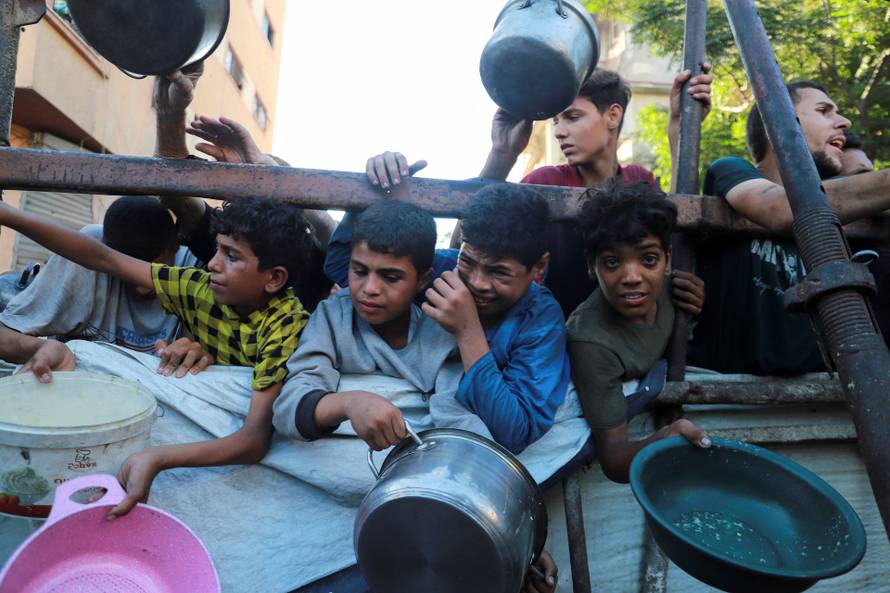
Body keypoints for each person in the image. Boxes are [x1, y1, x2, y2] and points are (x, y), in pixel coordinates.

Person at [0, 196, 312, 517]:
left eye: (231, 256)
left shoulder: (286, 324)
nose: (213, 264)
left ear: (274, 279)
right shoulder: (198, 288)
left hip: (235, 439)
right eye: (217, 249)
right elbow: (104, 258)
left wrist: (159, 457)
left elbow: (254, 441)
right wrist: (10, 215)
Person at [366, 66, 713, 316]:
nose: (560, 131)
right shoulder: (544, 180)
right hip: (547, 334)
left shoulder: (640, 181)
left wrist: (677, 134)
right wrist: (501, 154)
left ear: (613, 115)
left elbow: (674, 242)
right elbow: (469, 245)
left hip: (621, 338)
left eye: (572, 117)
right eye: (555, 121)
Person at [326, 184, 570, 454]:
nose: (477, 282)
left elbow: (514, 432)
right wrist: (378, 188)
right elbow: (340, 265)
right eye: (467, 261)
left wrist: (468, 331)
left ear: (539, 267)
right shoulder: (441, 269)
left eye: (499, 272)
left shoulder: (542, 320)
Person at [689, 81, 890, 375]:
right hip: (725, 398)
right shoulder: (730, 169)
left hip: (824, 399)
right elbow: (779, 208)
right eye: (824, 111)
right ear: (779, 121)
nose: (844, 122)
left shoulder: (839, 197)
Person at [152, 61, 335, 311]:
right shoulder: (231, 237)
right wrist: (169, 113)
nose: (218, 262)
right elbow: (175, 196)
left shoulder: (311, 256)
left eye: (272, 191)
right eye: (253, 188)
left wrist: (273, 175)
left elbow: (330, 232)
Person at [273, 200, 456, 449]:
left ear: (423, 280)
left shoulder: (442, 334)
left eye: (390, 277)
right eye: (359, 271)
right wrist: (351, 403)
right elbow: (288, 408)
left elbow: (457, 423)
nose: (369, 289)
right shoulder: (334, 314)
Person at [567, 181, 710, 483]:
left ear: (667, 260)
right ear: (592, 266)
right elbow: (614, 459)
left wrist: (697, 308)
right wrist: (665, 437)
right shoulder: (591, 342)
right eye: (612, 262)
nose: (632, 277)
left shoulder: (677, 289)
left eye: (648, 259)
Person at [0, 196, 210, 381]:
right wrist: (40, 348)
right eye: (127, 275)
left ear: (177, 244)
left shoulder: (196, 265)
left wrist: (198, 353)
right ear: (104, 251)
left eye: (155, 270)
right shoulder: (86, 257)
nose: (143, 289)